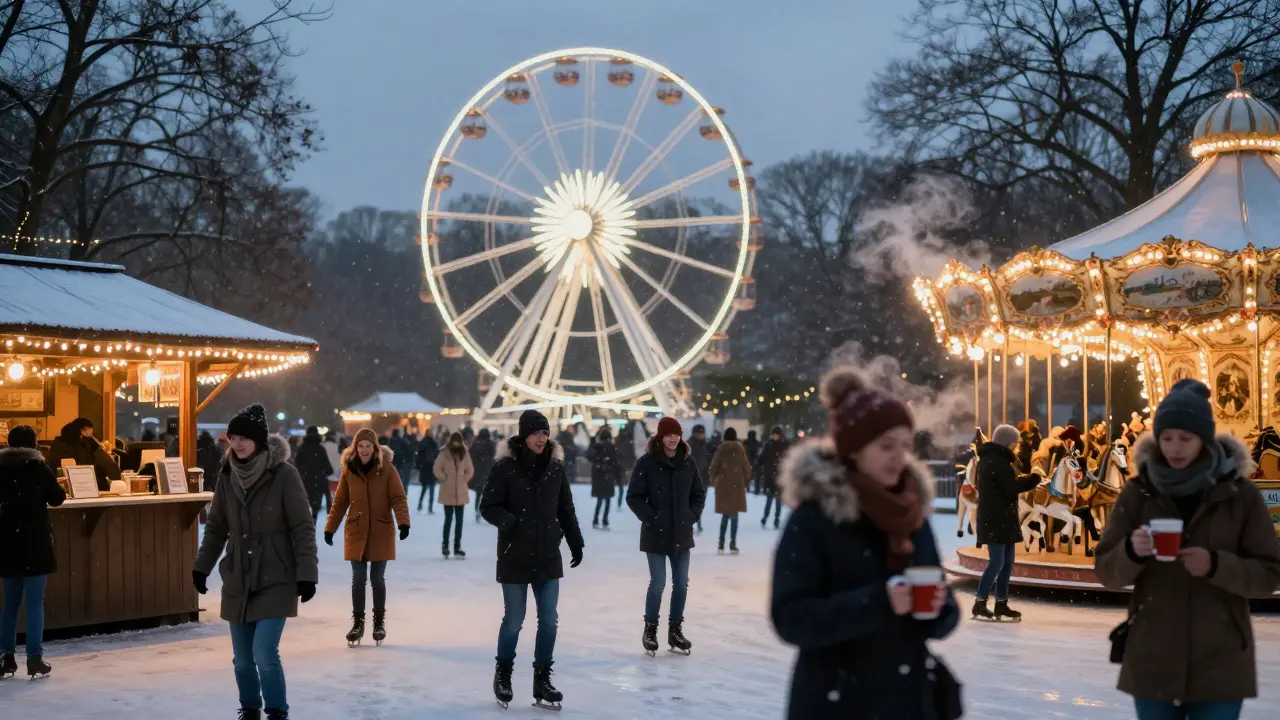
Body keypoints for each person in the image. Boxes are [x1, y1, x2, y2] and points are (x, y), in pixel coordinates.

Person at [771, 366, 960, 720]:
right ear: (854, 448)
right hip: (836, 702)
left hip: (907, 702)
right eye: (886, 446)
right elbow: (791, 618)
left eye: (905, 445)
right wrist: (878, 602)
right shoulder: (814, 519)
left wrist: (940, 608)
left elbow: (943, 611)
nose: (898, 456)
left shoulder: (911, 513)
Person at [1095, 379, 1280, 720]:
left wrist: (1215, 565)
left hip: (1220, 659)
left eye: (1186, 438)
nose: (1175, 447)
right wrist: (1131, 553)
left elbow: (1269, 574)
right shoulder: (1138, 493)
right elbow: (1106, 572)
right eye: (1166, 438)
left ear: (1204, 439)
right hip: (1153, 656)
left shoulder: (1240, 496)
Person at [193, 404, 318, 720]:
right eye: (233, 437)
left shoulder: (284, 474)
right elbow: (218, 526)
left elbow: (302, 526)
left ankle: (276, 711)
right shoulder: (226, 475)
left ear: (259, 440)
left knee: (264, 654)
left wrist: (307, 574)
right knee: (242, 660)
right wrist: (202, 565)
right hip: (239, 575)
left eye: (244, 437)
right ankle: (250, 709)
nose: (237, 443)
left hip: (277, 573)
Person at [481, 410, 584, 710]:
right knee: (514, 620)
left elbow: (566, 510)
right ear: (525, 435)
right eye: (536, 433)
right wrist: (510, 522)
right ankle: (503, 674)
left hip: (548, 555)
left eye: (545, 432)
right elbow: (488, 505)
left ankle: (542, 679)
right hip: (515, 553)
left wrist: (575, 542)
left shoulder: (556, 469)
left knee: (549, 620)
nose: (542, 438)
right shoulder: (505, 468)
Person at [627, 416, 706, 657]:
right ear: (660, 436)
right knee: (659, 582)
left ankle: (675, 630)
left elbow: (699, 493)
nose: (674, 438)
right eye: (669, 434)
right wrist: (652, 517)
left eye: (677, 434)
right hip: (656, 534)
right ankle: (650, 630)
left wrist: (690, 515)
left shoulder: (688, 462)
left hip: (681, 533)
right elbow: (634, 497)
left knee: (681, 583)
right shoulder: (647, 463)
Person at [324, 427, 411, 648]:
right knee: (358, 579)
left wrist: (403, 522)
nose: (364, 450)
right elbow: (340, 501)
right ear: (355, 448)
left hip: (381, 530)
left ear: (375, 448)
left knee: (377, 579)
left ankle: (379, 623)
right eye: (360, 446)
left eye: (368, 446)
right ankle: (358, 624)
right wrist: (330, 528)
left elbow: (398, 498)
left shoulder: (387, 469)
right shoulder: (349, 470)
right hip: (356, 530)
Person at [0, 425, 65, 680]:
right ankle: (34, 659)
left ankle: (6, 658)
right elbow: (57, 498)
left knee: (10, 605)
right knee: (35, 603)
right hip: (35, 541)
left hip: (7, 542)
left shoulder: (1, 468)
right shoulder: (39, 467)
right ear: (34, 443)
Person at [972, 424, 1042, 620]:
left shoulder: (999, 460)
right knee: (996, 563)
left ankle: (1001, 604)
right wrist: (1034, 479)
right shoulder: (995, 461)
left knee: (1007, 563)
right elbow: (1010, 487)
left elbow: (1007, 486)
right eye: (1016, 443)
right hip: (995, 519)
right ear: (1007, 442)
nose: (1018, 446)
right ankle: (980, 602)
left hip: (1003, 518)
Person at [709, 427, 752, 554]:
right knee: (734, 517)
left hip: (723, 486)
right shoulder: (740, 450)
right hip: (736, 486)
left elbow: (713, 468)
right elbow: (747, 468)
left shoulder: (720, 450)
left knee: (725, 516)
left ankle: (721, 545)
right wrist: (745, 477)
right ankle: (733, 545)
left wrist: (715, 479)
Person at [47, 417, 120, 491]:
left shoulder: (57, 444)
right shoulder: (91, 445)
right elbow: (112, 469)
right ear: (84, 429)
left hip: (61, 490)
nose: (92, 434)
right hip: (90, 489)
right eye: (91, 431)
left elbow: (50, 467)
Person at [433, 432, 474, 558]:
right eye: (454, 441)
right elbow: (437, 468)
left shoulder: (465, 453)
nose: (456, 444)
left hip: (461, 492)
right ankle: (445, 546)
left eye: (458, 442)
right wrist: (444, 478)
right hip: (447, 491)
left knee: (459, 522)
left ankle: (457, 547)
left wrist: (464, 479)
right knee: (448, 520)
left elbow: (470, 469)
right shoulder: (444, 453)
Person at [293, 426, 334, 522]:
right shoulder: (320, 449)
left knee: (306, 506)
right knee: (316, 507)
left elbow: (297, 464)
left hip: (305, 481)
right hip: (319, 481)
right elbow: (327, 467)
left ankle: (308, 525)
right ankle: (313, 523)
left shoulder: (301, 448)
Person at [586, 427, 623, 529]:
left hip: (599, 478)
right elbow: (616, 464)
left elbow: (590, 457)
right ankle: (604, 521)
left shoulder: (596, 447)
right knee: (607, 501)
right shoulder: (612, 448)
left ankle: (596, 520)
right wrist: (618, 478)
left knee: (600, 501)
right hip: (608, 477)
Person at [757, 426, 790, 529]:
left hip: (780, 476)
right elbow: (763, 456)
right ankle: (765, 517)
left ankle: (776, 518)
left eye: (776, 435)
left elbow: (788, 459)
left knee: (778, 501)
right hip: (770, 476)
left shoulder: (784, 445)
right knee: (769, 499)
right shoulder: (769, 445)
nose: (775, 437)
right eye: (773, 435)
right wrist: (759, 463)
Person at [469, 428, 497, 521]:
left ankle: (477, 510)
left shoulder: (475, 445)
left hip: (477, 471)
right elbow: (493, 455)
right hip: (488, 470)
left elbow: (471, 457)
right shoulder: (491, 444)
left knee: (478, 493)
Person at [687, 425, 711, 534]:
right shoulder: (688, 446)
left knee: (699, 503)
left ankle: (697, 523)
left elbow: (708, 461)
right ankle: (690, 524)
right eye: (700, 433)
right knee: (691, 503)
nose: (702, 435)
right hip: (691, 479)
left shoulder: (706, 445)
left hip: (703, 478)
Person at [415, 430, 440, 514]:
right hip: (431, 468)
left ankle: (420, 504)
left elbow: (419, 455)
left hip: (425, 468)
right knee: (430, 488)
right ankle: (429, 507)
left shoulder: (423, 443)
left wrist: (419, 465)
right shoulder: (434, 443)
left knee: (425, 488)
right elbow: (437, 455)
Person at [321, 431, 341, 513]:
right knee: (334, 490)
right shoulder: (335, 446)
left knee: (327, 490)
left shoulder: (322, 446)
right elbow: (337, 459)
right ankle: (333, 505)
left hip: (325, 471)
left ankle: (328, 506)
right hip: (334, 471)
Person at [743, 429, 763, 495]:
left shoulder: (745, 442)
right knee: (756, 476)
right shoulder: (757, 442)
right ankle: (756, 489)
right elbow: (760, 451)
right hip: (755, 461)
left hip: (747, 460)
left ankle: (747, 487)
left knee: (747, 475)